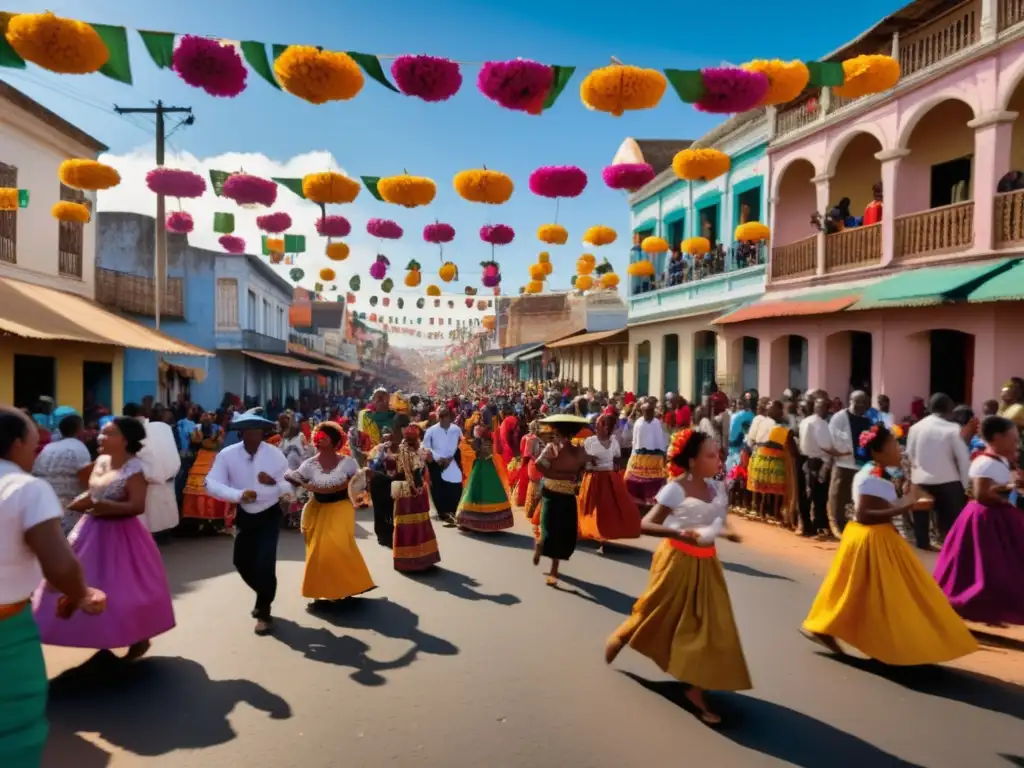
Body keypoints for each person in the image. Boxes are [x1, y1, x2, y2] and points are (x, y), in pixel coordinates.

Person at [605, 429, 750, 725]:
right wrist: (679, 532)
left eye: (718, 453)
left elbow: (716, 517)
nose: (718, 459)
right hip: (676, 561)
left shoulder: (714, 488)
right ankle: (627, 633)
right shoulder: (675, 489)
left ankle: (694, 688)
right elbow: (645, 524)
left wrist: (726, 530)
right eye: (711, 454)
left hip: (708, 565)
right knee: (659, 612)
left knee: (708, 625)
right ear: (693, 461)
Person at [802, 424, 978, 664]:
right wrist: (909, 505)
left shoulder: (878, 473)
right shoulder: (871, 476)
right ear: (878, 451)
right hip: (872, 542)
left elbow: (881, 507)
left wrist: (910, 500)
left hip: (877, 539)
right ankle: (886, 645)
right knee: (885, 597)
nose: (898, 450)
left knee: (860, 595)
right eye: (893, 445)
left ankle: (834, 631)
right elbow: (865, 513)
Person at [0, 408, 107, 767]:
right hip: (7, 634)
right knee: (14, 733)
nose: (39, 445)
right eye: (34, 439)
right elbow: (60, 564)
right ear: (16, 443)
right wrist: (82, 594)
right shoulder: (24, 489)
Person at [33, 416, 176, 659]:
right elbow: (93, 491)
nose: (100, 437)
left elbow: (136, 505)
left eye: (108, 433)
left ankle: (137, 638)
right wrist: (81, 502)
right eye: (101, 432)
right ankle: (99, 637)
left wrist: (103, 505)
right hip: (90, 530)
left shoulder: (135, 468)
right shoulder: (100, 462)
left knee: (122, 591)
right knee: (75, 583)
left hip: (123, 536)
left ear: (125, 440)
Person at [205, 409, 293, 635]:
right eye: (248, 432)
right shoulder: (227, 455)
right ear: (241, 433)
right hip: (245, 513)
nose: (253, 437)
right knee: (241, 562)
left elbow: (290, 484)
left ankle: (264, 612)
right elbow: (211, 483)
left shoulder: (275, 455)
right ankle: (264, 595)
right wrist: (238, 495)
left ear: (263, 433)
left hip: (269, 513)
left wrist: (274, 483)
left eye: (257, 432)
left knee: (265, 562)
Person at [933, 415, 1024, 625]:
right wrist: (1012, 488)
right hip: (987, 519)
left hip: (998, 517)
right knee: (985, 564)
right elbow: (982, 494)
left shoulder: (999, 460)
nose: (1015, 442)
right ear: (998, 438)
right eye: (1012, 437)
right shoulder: (984, 462)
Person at [286, 422, 374, 608]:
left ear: (333, 441)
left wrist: (360, 484)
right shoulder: (309, 465)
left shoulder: (348, 462)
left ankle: (345, 587)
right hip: (316, 508)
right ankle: (323, 590)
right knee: (318, 550)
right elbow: (294, 479)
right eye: (316, 437)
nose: (317, 440)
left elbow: (359, 483)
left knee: (336, 546)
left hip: (341, 507)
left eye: (322, 437)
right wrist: (286, 479)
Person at [906, 393, 970, 549]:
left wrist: (913, 478)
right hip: (948, 482)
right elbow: (963, 459)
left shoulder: (915, 428)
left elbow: (910, 455)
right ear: (949, 409)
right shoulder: (953, 428)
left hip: (920, 481)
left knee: (921, 524)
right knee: (951, 526)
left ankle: (923, 547)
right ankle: (949, 550)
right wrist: (966, 486)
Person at [534, 415, 592, 585]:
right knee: (552, 532)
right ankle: (552, 568)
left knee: (565, 532)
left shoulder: (579, 450)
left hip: (568, 494)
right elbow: (539, 465)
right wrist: (560, 474)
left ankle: (545, 552)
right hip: (551, 493)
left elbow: (585, 468)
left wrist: (576, 475)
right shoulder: (552, 448)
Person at [578, 413, 641, 551]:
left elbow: (617, 458)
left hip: (608, 479)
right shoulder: (590, 441)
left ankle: (602, 536)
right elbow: (581, 457)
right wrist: (589, 459)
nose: (596, 424)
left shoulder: (614, 442)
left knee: (606, 510)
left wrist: (616, 465)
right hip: (593, 478)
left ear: (606, 428)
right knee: (591, 508)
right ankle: (592, 533)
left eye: (599, 423)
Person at [123, 402, 181, 537]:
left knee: (147, 520)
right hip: (164, 477)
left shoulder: (132, 431)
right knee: (156, 517)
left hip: (149, 479)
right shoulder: (162, 428)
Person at [391, 424, 441, 572]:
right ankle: (420, 558)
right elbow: (415, 473)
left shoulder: (403, 450)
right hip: (412, 491)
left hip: (402, 489)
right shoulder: (412, 452)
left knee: (405, 523)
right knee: (417, 522)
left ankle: (407, 558)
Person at [32, 412, 92, 534]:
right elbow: (85, 477)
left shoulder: (49, 448)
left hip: (45, 505)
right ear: (79, 430)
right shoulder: (79, 448)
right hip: (70, 507)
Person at [747, 400, 799, 527]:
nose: (781, 413)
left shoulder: (761, 421)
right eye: (778, 410)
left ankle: (762, 511)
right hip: (772, 459)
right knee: (777, 489)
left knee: (764, 489)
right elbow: (792, 447)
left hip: (759, 456)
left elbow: (751, 440)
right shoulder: (778, 427)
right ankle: (774, 513)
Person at [826, 391, 872, 535]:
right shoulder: (839, 417)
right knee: (838, 496)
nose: (863, 405)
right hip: (843, 464)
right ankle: (836, 525)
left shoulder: (867, 419)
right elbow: (833, 438)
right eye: (860, 401)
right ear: (851, 401)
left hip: (861, 466)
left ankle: (850, 525)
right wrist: (844, 452)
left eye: (865, 402)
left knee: (854, 497)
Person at [456, 421, 514, 533]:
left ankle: (472, 522)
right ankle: (489, 523)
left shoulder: (481, 442)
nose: (476, 432)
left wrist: (477, 444)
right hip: (486, 467)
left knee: (475, 492)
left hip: (482, 467)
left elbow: (481, 452)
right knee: (484, 492)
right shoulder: (487, 441)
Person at [181, 414, 235, 531]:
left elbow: (197, 442)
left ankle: (201, 519)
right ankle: (210, 519)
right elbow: (219, 443)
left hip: (204, 459)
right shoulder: (215, 430)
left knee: (199, 488)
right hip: (209, 458)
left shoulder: (199, 430)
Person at [799, 397, 841, 539]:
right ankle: (820, 526)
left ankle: (806, 526)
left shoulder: (805, 421)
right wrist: (841, 454)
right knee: (819, 497)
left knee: (806, 495)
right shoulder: (820, 423)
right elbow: (825, 446)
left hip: (805, 460)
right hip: (817, 462)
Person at [624, 399, 669, 511]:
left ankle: (652, 504)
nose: (649, 413)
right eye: (646, 411)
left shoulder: (656, 423)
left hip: (655, 458)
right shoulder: (638, 423)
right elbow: (635, 442)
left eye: (651, 411)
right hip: (639, 458)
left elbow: (660, 440)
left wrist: (663, 454)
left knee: (656, 482)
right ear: (642, 411)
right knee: (632, 481)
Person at [422, 407, 463, 525]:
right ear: (440, 419)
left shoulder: (456, 430)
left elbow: (459, 442)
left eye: (449, 418)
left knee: (454, 485)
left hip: (452, 460)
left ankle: (453, 509)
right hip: (436, 463)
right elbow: (426, 447)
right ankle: (442, 511)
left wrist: (450, 458)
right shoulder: (431, 431)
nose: (448, 421)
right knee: (438, 486)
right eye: (445, 418)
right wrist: (439, 459)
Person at [367, 426, 402, 546]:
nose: (388, 438)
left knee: (394, 509)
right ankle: (383, 535)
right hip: (381, 484)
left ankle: (396, 534)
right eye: (385, 436)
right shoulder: (378, 449)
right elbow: (374, 466)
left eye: (390, 435)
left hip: (396, 483)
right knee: (381, 511)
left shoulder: (400, 449)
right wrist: (382, 454)